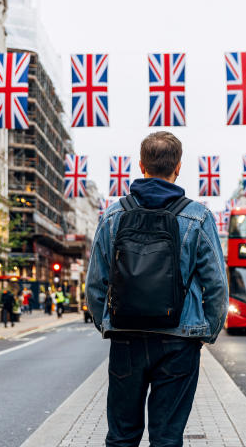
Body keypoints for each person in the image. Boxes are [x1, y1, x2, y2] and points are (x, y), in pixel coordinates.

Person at [86, 131, 228, 447]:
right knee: (167, 437)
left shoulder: (113, 215)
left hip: (126, 338)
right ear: (178, 167)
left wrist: (107, 324)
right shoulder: (198, 216)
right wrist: (205, 332)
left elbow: (95, 283)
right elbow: (216, 284)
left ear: (141, 166)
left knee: (122, 436)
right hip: (179, 341)